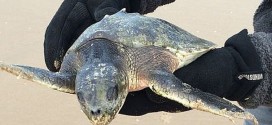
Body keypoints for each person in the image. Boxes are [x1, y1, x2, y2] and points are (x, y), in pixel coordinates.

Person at [43, 0, 272, 125]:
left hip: (156, 48)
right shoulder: (75, 63)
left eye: (111, 93)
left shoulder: (144, 67)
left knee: (253, 112)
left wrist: (250, 67)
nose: (97, 112)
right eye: (84, 96)